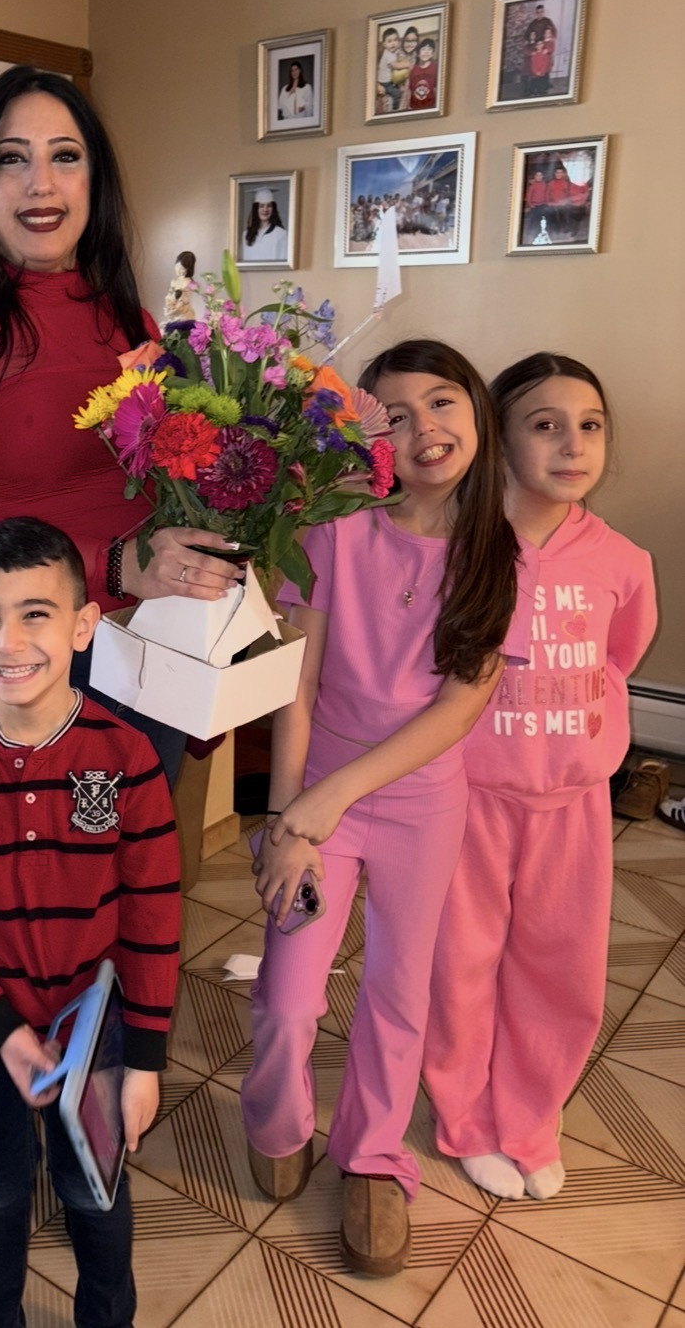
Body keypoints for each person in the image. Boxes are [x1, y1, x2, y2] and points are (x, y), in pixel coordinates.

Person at [0, 62, 241, 1325]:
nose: (41, 183)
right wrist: (114, 562)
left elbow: (165, 474)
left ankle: (89, 1161)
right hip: (11, 663)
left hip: (134, 676)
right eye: (11, 157)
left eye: (65, 155)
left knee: (104, 909)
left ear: (99, 177)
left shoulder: (132, 317)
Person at [242, 340, 529, 1277]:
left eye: (441, 402)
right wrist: (284, 820)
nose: (422, 428)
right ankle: (277, 1121)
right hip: (313, 801)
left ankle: (371, 1155)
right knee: (289, 998)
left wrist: (322, 804)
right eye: (393, 416)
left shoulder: (497, 555)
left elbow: (459, 706)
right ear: (367, 439)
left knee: (398, 994)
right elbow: (297, 681)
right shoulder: (332, 529)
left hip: (417, 807)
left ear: (476, 415)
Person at [0, 516, 181, 1328]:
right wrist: (0, 1031)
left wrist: (144, 1060)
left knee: (94, 1191)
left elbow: (152, 912)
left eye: (36, 614)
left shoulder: (125, 759)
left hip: (95, 1031)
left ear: (83, 626)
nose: (8, 641)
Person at [424, 354, 656, 1202]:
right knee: (459, 966)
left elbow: (618, 658)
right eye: (545, 425)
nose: (572, 445)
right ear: (498, 437)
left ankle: (527, 1118)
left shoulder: (623, 562)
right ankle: (463, 1119)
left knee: (560, 969)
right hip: (469, 799)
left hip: (572, 804)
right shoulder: (456, 549)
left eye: (588, 426)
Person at [242, 187, 288, 263]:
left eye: (269, 206)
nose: (265, 209)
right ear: (256, 209)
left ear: (273, 209)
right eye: (261, 206)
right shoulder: (246, 235)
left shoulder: (281, 234)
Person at [407, 35, 439, 111]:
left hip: (430, 106)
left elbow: (436, 88)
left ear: (432, 53)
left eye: (429, 49)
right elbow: (410, 89)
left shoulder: (435, 68)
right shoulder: (413, 69)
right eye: (423, 49)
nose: (426, 52)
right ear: (418, 53)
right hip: (414, 107)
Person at [375, 27, 402, 114]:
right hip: (385, 83)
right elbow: (396, 66)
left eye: (395, 40)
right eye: (389, 41)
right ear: (384, 44)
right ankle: (395, 109)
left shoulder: (394, 52)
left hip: (389, 80)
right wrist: (408, 64)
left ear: (398, 42)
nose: (393, 43)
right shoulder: (388, 54)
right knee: (397, 93)